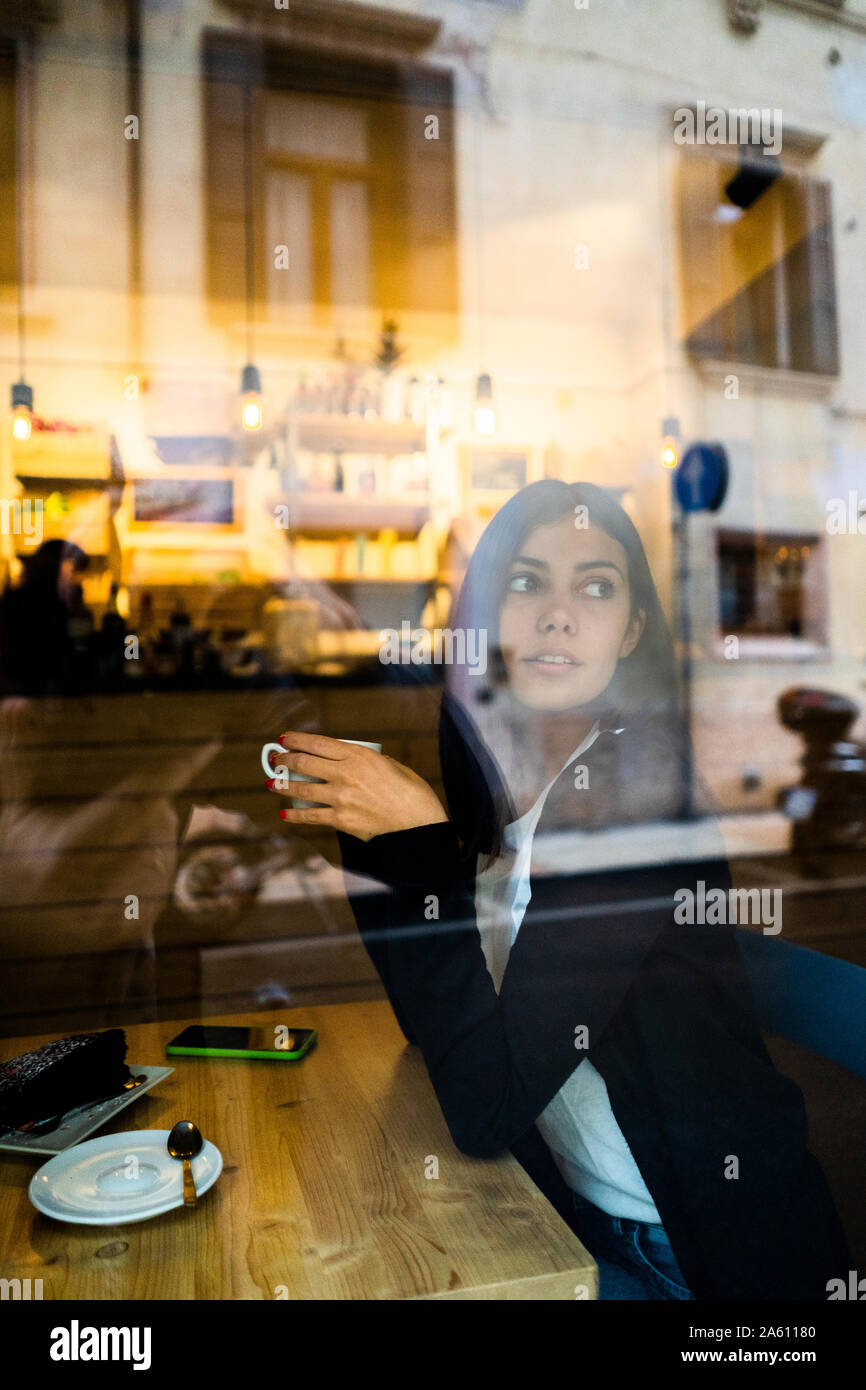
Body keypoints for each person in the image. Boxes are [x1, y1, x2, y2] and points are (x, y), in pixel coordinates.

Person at [266, 480, 852, 1300]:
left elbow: (485, 1108)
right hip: (570, 1216)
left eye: (597, 588)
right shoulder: (519, 794)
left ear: (632, 630)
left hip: (699, 1263)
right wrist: (383, 847)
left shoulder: (636, 805)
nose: (559, 613)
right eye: (527, 581)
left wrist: (421, 851)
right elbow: (437, 1033)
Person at [0, 538, 89, 695]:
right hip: (38, 688)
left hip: (22, 688)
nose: (77, 579)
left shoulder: (16, 600)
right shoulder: (57, 605)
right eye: (74, 570)